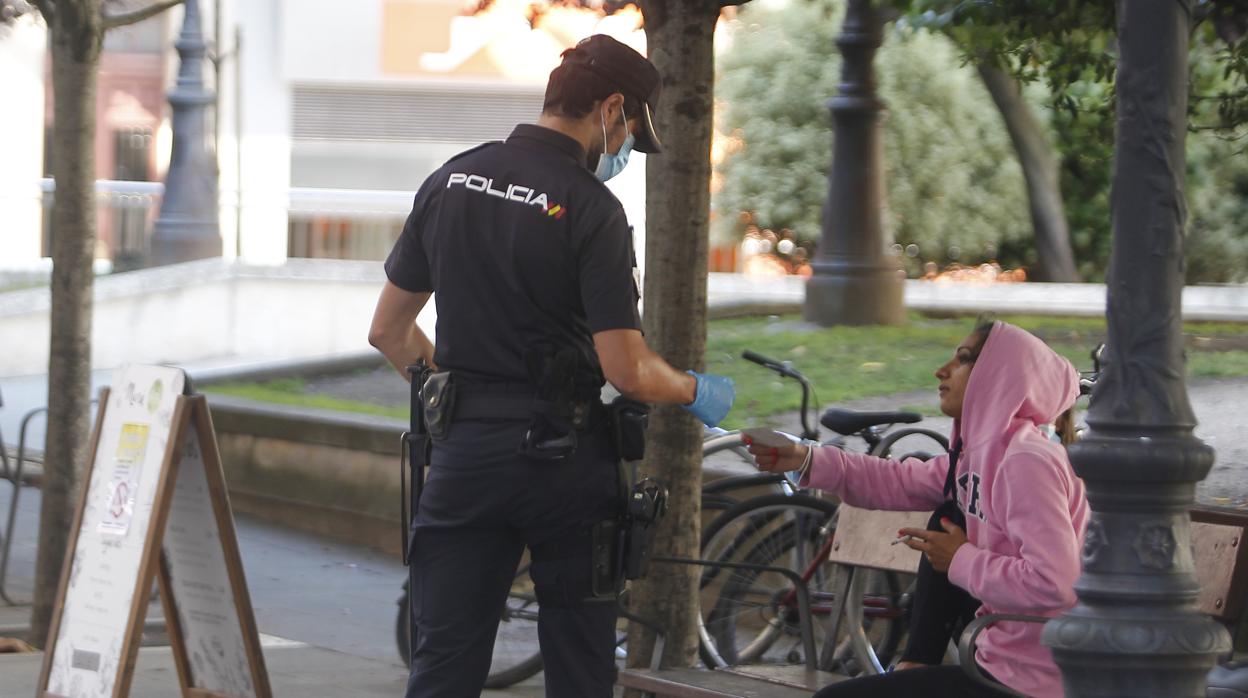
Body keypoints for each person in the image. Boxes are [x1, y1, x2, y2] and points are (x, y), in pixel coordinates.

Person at [368, 34, 735, 698]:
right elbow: (625, 368)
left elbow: (389, 332)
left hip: (464, 460)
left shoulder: (450, 180)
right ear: (611, 108)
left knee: (443, 663)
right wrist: (691, 388)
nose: (623, 146)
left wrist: (452, 397)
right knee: (578, 665)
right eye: (628, 129)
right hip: (567, 469)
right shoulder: (592, 210)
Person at [747, 319, 1088, 698]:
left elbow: (1055, 583)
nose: (941, 370)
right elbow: (897, 480)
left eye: (962, 359)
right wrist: (803, 457)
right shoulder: (979, 458)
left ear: (998, 375)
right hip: (1000, 663)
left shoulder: (1025, 462)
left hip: (1033, 682)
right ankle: (917, 660)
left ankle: (916, 662)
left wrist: (961, 558)